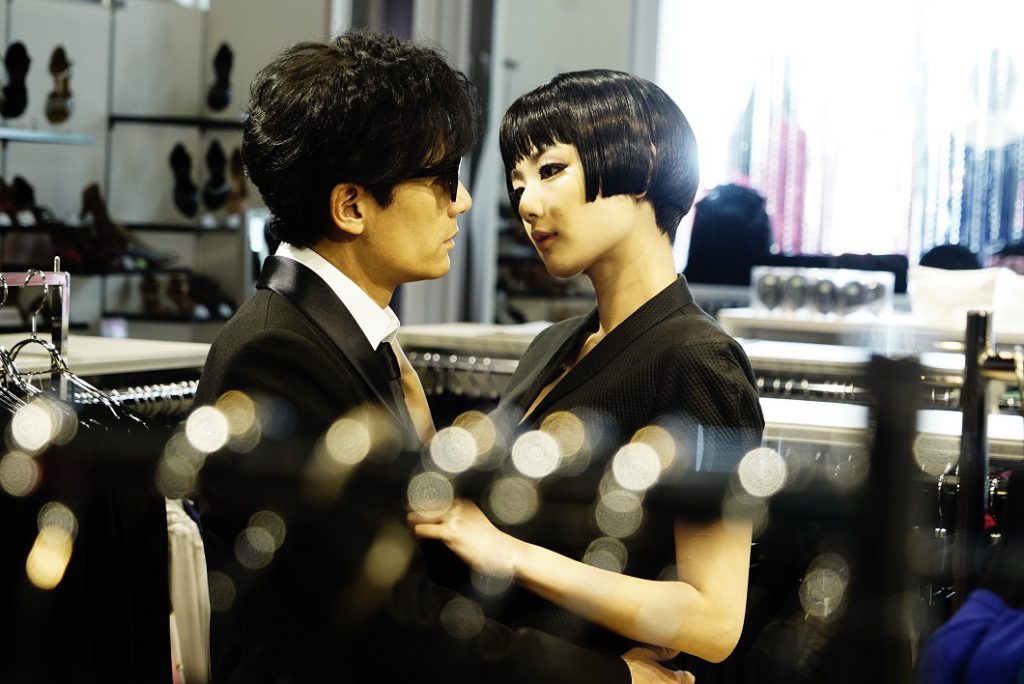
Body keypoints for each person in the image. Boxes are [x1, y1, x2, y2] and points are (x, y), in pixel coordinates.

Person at [194, 31, 690, 684]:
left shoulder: (331, 338)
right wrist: (613, 679)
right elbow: (390, 625)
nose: (464, 201)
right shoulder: (279, 354)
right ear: (352, 206)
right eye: (442, 178)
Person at [410, 70, 765, 667]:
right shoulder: (553, 344)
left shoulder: (697, 359)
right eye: (518, 183)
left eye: (550, 170)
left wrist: (508, 553)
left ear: (644, 165)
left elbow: (714, 620)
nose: (527, 204)